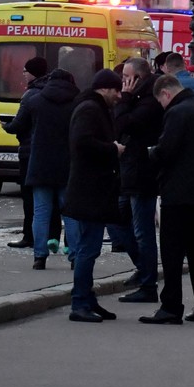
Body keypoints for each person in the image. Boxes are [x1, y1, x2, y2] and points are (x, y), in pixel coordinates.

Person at [139, 74, 194, 325]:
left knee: (173, 253)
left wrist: (151, 153)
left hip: (178, 194)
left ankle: (171, 307)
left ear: (165, 93)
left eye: (161, 102)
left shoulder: (177, 113)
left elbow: (167, 150)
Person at [63, 69, 125, 323]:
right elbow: (82, 143)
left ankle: (88, 300)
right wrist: (112, 149)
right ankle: (80, 303)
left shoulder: (93, 107)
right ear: (105, 88)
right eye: (117, 90)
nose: (119, 96)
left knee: (90, 248)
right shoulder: (90, 109)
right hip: (90, 191)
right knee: (88, 249)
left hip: (92, 189)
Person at [7, 68, 79, 269]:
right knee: (70, 213)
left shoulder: (35, 101)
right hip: (68, 165)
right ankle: (74, 256)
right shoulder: (77, 102)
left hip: (40, 163)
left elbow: (19, 125)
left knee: (40, 213)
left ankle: (40, 257)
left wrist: (7, 127)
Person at [113, 57, 163, 304]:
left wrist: (125, 99)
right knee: (117, 221)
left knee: (142, 231)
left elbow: (124, 124)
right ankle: (143, 269)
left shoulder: (149, 101)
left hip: (141, 173)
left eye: (127, 78)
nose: (123, 83)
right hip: (129, 171)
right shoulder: (137, 99)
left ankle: (148, 283)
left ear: (139, 78)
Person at [2, 56, 50, 248]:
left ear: (32, 73)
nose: (23, 74)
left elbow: (19, 124)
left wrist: (7, 126)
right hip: (47, 150)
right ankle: (49, 237)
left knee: (30, 197)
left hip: (29, 151)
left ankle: (30, 237)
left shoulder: (30, 95)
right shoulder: (50, 90)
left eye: (25, 71)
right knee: (49, 198)